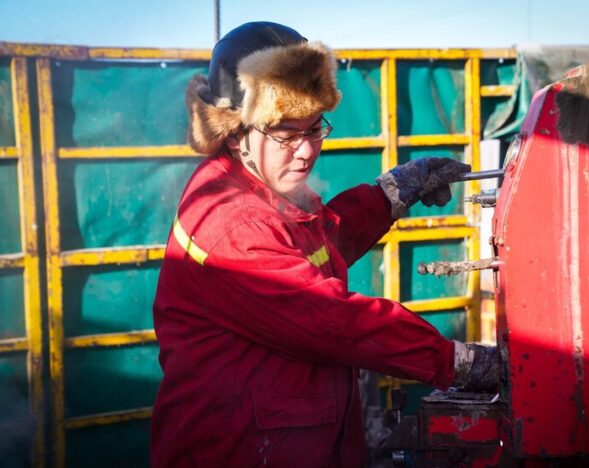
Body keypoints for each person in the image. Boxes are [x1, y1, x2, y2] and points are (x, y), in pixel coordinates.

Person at [151, 21, 498, 467]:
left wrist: (391, 193)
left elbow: (315, 249)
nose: (306, 151)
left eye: (315, 128)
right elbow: (334, 319)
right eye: (286, 134)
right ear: (235, 133)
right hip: (239, 451)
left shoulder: (259, 187)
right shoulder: (232, 223)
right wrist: (457, 361)